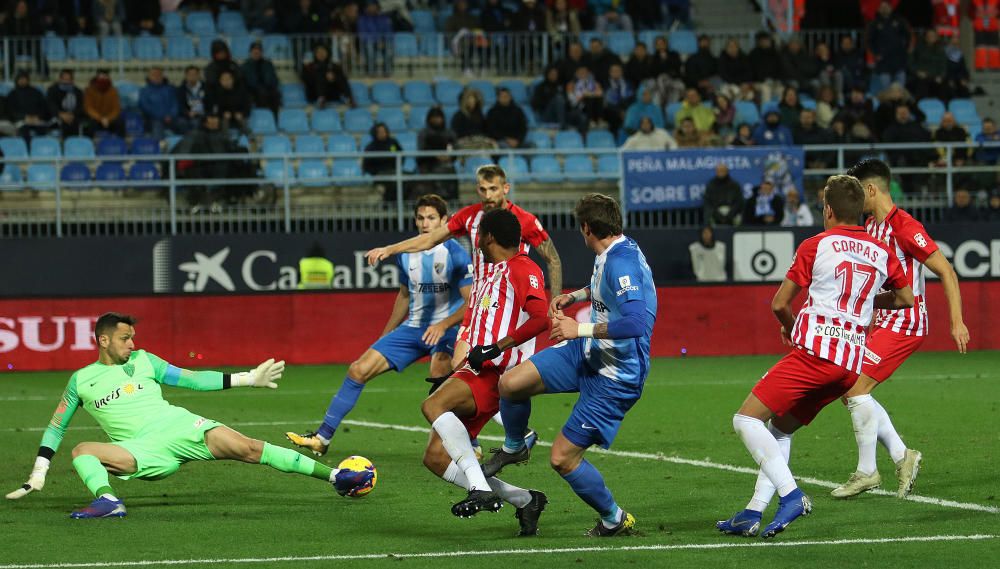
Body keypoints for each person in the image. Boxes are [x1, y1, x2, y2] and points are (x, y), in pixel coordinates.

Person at [5, 312, 371, 518]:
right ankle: (108, 501)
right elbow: (56, 427)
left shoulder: (145, 360)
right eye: (125, 339)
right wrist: (39, 472)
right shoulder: (80, 380)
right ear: (103, 340)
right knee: (82, 448)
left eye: (133, 337)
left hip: (180, 425)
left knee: (249, 448)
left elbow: (192, 379)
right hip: (140, 449)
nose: (132, 344)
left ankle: (336, 477)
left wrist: (247, 378)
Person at [717, 174, 913, 539]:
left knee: (745, 420)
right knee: (779, 430)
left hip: (816, 355)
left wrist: (791, 327)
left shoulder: (816, 245)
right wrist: (870, 302)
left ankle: (791, 496)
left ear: (827, 210)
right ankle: (752, 511)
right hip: (848, 367)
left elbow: (779, 304)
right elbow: (905, 299)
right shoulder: (882, 252)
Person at [483, 193, 656, 537]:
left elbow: (637, 322)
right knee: (510, 384)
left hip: (615, 376)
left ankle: (613, 518)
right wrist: (576, 297)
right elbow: (604, 286)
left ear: (587, 228)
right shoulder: (615, 249)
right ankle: (516, 446)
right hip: (587, 353)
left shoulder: (622, 263)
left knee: (563, 458)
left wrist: (580, 328)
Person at [286, 196, 473, 456]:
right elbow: (405, 295)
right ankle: (322, 437)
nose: (425, 223)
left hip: (447, 330)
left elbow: (470, 303)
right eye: (420, 218)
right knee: (358, 369)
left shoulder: (456, 253)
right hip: (414, 328)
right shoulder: (406, 255)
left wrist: (443, 325)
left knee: (441, 369)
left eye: (431, 218)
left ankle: (469, 445)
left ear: (444, 220)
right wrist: (386, 335)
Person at [830, 159, 968, 499]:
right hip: (884, 322)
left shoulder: (905, 226)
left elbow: (946, 271)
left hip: (906, 323)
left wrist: (956, 321)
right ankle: (901, 455)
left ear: (872, 190)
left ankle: (867, 472)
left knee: (856, 389)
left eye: (859, 192)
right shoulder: (872, 228)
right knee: (847, 386)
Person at [418, 208, 549, 532]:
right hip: (473, 370)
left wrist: (497, 348)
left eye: (477, 234)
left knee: (432, 404)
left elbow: (540, 318)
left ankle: (479, 489)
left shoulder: (522, 267)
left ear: (487, 237)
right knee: (435, 458)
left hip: (494, 373)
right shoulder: (491, 272)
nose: (474, 239)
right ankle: (525, 499)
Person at [866, 1, 912, 92]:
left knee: (900, 90)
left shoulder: (899, 21)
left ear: (891, 8)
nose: (884, 8)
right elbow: (869, 41)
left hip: (899, 60)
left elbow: (908, 36)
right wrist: (876, 53)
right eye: (882, 7)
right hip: (883, 62)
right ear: (878, 9)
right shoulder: (874, 24)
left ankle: (900, 105)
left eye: (886, 6)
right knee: (886, 90)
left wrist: (905, 50)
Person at [416, 106, 458, 200]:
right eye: (434, 117)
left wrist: (449, 157)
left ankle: (451, 200)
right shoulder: (424, 133)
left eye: (438, 117)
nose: (436, 120)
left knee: (449, 170)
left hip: (446, 164)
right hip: (427, 165)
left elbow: (455, 150)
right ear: (429, 119)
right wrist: (435, 156)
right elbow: (421, 151)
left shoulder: (449, 133)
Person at [6, 70, 52, 140]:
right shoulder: (12, 95)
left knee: (42, 132)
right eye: (20, 79)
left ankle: (39, 149)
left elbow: (44, 107)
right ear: (17, 80)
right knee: (24, 132)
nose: (23, 81)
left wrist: (38, 117)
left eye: (24, 79)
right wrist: (24, 117)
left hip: (37, 120)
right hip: (21, 121)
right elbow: (10, 111)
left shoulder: (36, 93)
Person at [204, 70, 251, 135]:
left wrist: (242, 113)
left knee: (242, 120)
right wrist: (223, 113)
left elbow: (247, 107)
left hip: (238, 116)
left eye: (228, 79)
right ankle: (225, 141)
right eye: (223, 79)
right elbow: (215, 109)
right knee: (224, 120)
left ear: (232, 80)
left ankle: (251, 139)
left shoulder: (241, 92)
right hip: (224, 118)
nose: (226, 81)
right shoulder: (216, 93)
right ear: (220, 81)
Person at [138, 67, 179, 140]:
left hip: (172, 118)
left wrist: (171, 115)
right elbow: (145, 106)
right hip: (154, 119)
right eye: (154, 75)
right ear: (149, 77)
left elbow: (175, 104)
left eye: (159, 74)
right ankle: (159, 147)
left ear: (162, 76)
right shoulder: (144, 91)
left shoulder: (170, 89)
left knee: (184, 123)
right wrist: (163, 116)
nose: (156, 77)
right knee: (157, 124)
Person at [241, 41, 282, 114]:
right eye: (254, 52)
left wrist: (272, 84)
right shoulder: (245, 66)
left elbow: (274, 78)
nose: (257, 53)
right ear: (250, 52)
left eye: (259, 51)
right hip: (253, 91)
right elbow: (246, 81)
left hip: (268, 88)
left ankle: (275, 117)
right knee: (261, 93)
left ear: (262, 52)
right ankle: (264, 115)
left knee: (275, 93)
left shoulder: (268, 64)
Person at [83, 69, 123, 137]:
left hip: (109, 118)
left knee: (120, 122)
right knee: (89, 124)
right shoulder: (89, 90)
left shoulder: (113, 91)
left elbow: (116, 108)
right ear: (97, 77)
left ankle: (119, 143)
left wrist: (108, 118)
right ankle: (90, 143)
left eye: (105, 76)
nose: (103, 78)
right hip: (95, 118)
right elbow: (88, 108)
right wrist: (100, 118)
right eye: (101, 76)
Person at [47, 69, 85, 138]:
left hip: (73, 117)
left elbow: (80, 106)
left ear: (72, 80)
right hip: (58, 116)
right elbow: (50, 105)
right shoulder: (52, 90)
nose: (66, 82)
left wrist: (72, 115)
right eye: (64, 79)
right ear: (60, 79)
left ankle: (73, 145)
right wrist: (61, 114)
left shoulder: (78, 92)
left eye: (68, 79)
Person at [175, 66, 206, 134]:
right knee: (180, 122)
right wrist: (187, 113)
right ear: (186, 76)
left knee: (196, 122)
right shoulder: (181, 89)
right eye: (190, 74)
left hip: (202, 114)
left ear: (199, 75)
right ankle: (188, 141)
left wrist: (200, 112)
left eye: (194, 74)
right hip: (187, 115)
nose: (192, 76)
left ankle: (194, 141)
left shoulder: (206, 88)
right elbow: (180, 104)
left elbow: (210, 103)